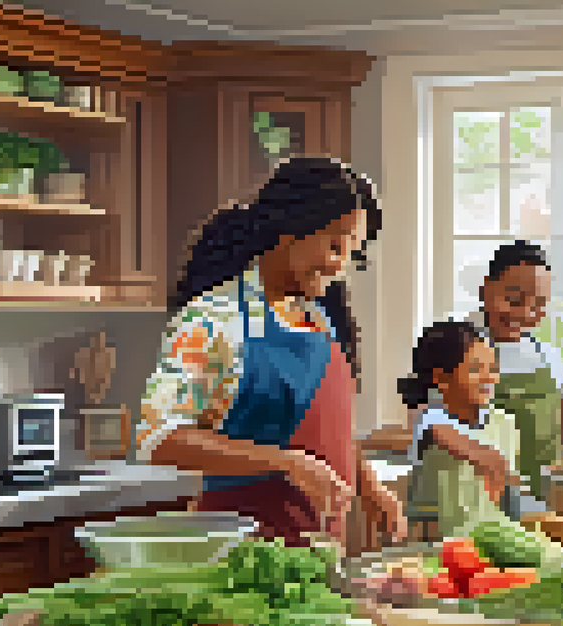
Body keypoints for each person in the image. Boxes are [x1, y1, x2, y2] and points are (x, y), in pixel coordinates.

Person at [134, 157, 406, 547]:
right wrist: (286, 462)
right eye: (334, 246)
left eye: (351, 253)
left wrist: (370, 487)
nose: (340, 266)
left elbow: (329, 431)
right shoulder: (212, 320)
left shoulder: (318, 319)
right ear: (289, 229)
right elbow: (157, 439)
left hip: (320, 552)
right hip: (242, 556)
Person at [410, 242, 563, 504]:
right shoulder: (452, 344)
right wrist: (482, 454)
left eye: (539, 304)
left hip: (537, 501)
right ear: (485, 289)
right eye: (514, 300)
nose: (525, 312)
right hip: (463, 499)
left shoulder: (549, 357)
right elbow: (422, 418)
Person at [397, 320, 519, 537]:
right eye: (475, 369)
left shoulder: (504, 423)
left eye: (493, 368)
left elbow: (508, 500)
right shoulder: (428, 420)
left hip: (491, 546)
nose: (489, 378)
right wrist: (483, 454)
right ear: (442, 378)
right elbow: (434, 429)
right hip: (435, 548)